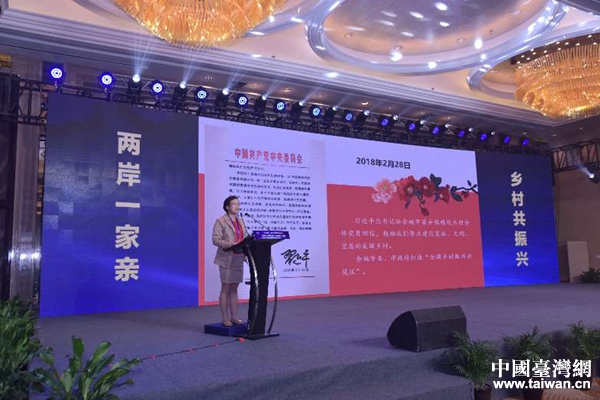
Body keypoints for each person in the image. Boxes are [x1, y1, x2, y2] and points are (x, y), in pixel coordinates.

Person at [212, 195, 248, 326]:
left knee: (234, 287)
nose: (237, 206)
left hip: (238, 257)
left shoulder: (241, 220)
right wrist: (232, 244)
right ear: (227, 207)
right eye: (234, 204)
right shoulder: (220, 221)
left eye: (238, 204)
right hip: (226, 258)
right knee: (226, 287)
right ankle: (225, 318)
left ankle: (234, 316)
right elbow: (216, 240)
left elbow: (245, 237)